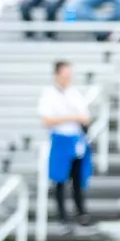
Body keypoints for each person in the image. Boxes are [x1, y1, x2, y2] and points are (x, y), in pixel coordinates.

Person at [39, 60, 93, 227]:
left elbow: (85, 117)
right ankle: (62, 215)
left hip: (75, 139)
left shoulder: (74, 94)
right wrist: (71, 117)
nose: (67, 78)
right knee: (60, 179)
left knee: (78, 178)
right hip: (60, 139)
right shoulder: (49, 94)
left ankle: (80, 212)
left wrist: (75, 118)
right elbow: (47, 120)